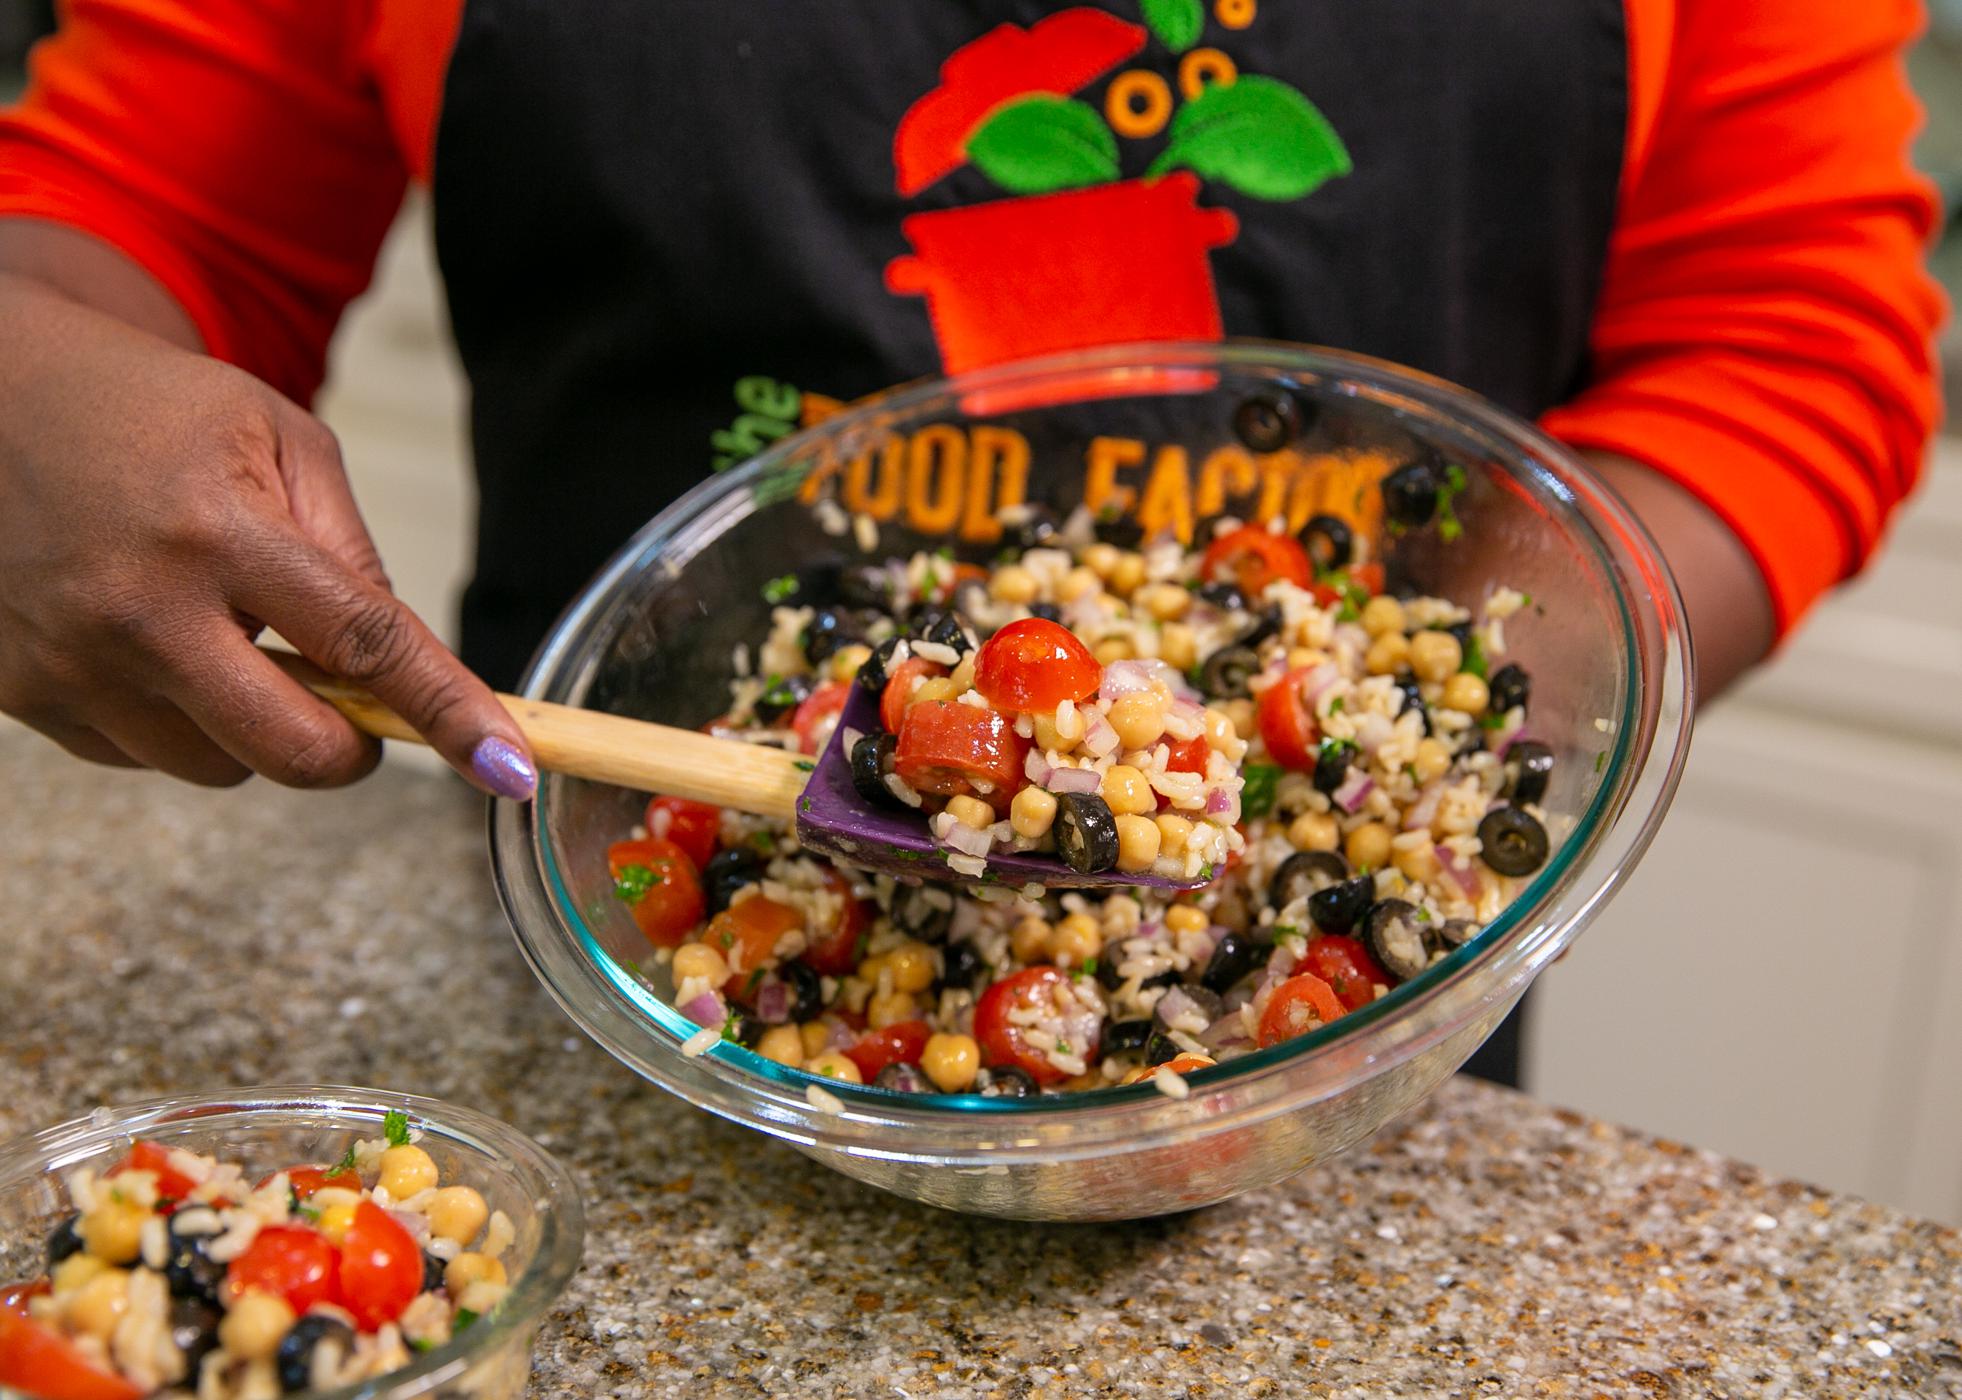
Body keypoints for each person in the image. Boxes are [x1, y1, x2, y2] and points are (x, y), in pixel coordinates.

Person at [0, 2, 1942, 1084]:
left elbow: (1785, 338)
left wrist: (1395, 761)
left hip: (1321, 1064)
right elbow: (132, 217)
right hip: (624, 1000)